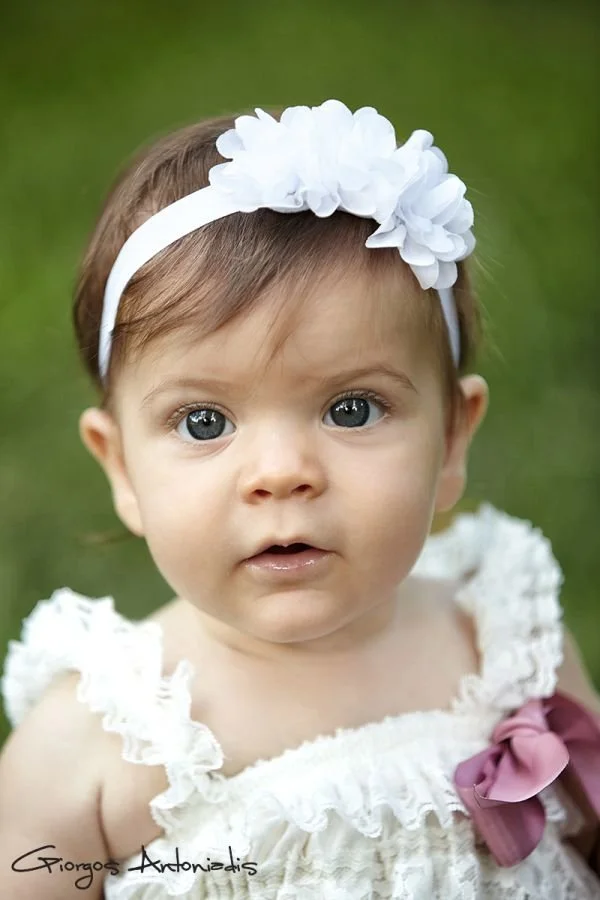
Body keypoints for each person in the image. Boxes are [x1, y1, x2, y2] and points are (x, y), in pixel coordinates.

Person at [0, 100, 598, 900]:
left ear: (453, 439)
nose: (281, 472)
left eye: (352, 408)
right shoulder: (93, 746)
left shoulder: (509, 647)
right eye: (204, 421)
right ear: (120, 469)